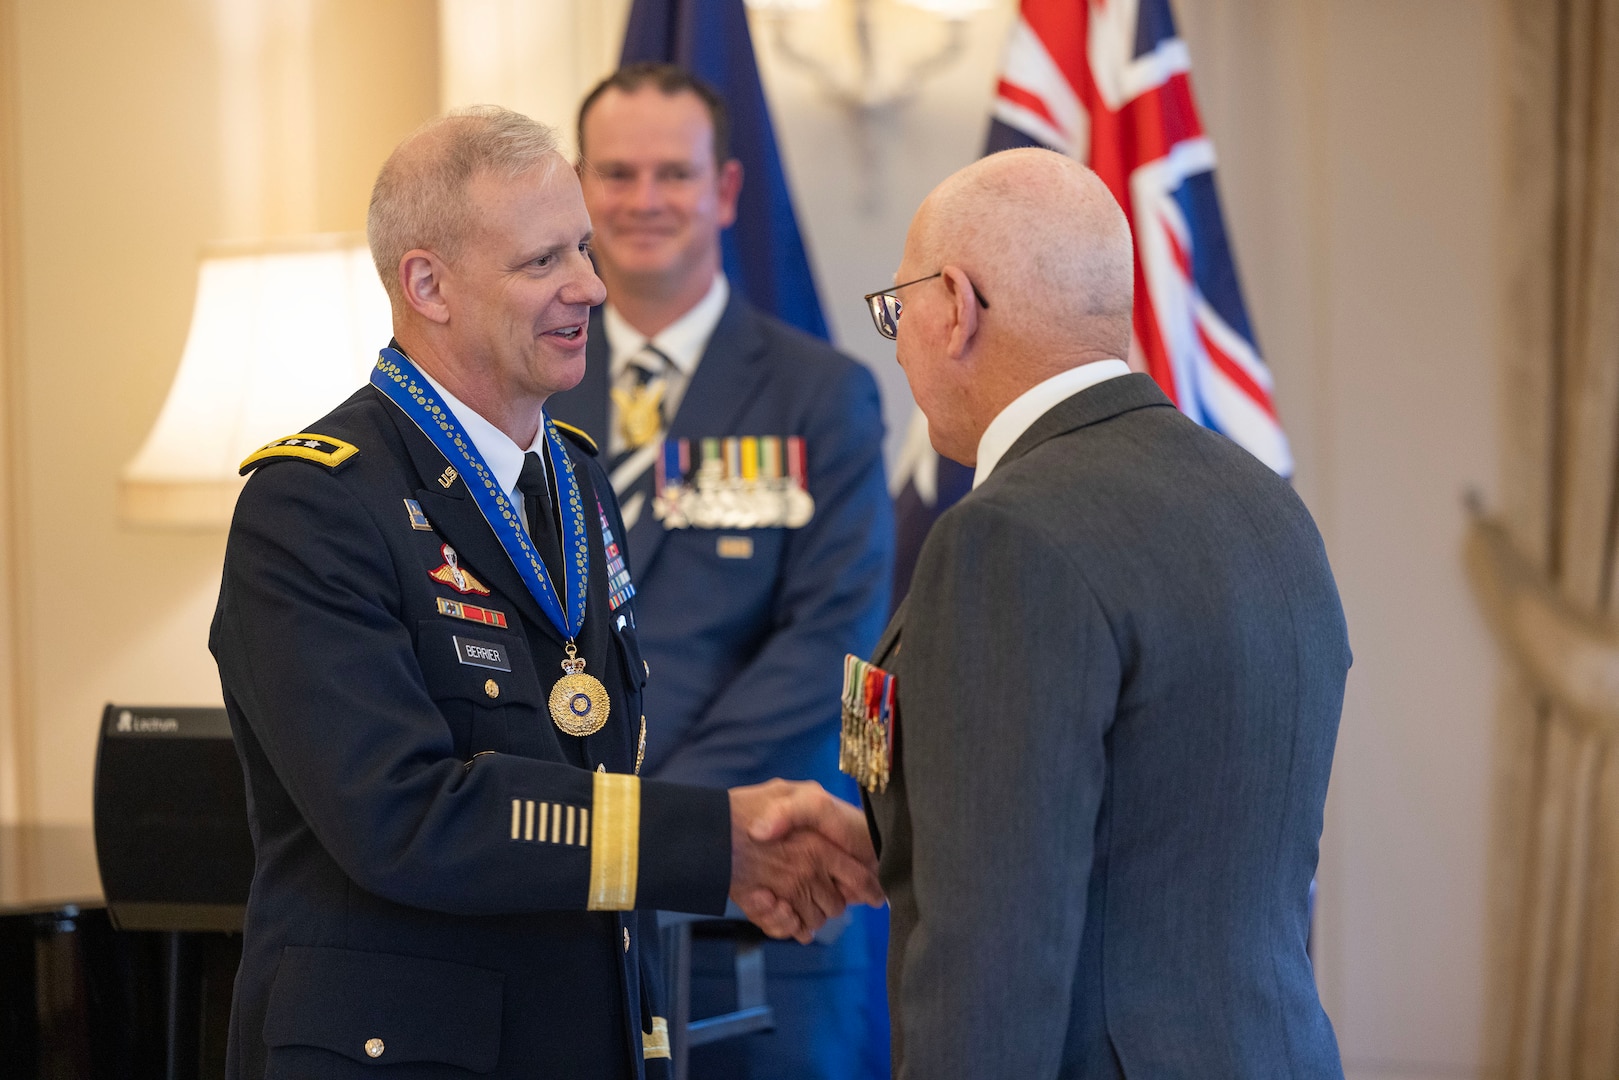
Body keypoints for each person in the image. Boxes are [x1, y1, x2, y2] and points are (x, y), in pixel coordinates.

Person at [209, 106, 881, 1080]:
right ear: (426, 284)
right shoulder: (312, 503)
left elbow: (590, 755)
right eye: (541, 263)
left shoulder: (569, 476)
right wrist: (710, 842)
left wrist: (729, 848)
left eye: (580, 246)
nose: (591, 286)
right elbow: (405, 815)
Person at [851, 147, 1350, 1078]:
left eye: (898, 309)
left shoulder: (1005, 535)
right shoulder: (1261, 501)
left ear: (954, 305)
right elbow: (1164, 813)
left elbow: (991, 953)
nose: (902, 339)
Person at [549, 64, 895, 1079]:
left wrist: (658, 828)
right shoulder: (525, 396)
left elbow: (828, 645)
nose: (644, 200)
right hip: (561, 905)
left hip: (755, 900)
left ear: (726, 191)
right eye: (615, 174)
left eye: (673, 173)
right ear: (578, 190)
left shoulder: (819, 394)